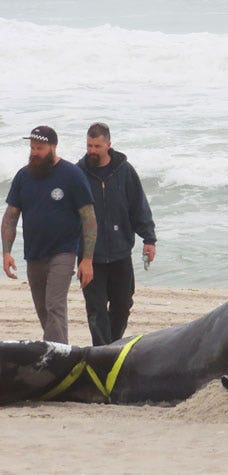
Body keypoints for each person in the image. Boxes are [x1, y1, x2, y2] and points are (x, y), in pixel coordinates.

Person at [2, 125, 97, 344]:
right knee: (43, 309)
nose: (35, 152)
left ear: (53, 147)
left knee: (55, 305)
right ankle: (58, 348)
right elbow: (10, 217)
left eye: (40, 148)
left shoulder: (72, 174)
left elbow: (89, 218)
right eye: (33, 147)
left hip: (63, 252)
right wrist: (6, 252)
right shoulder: (23, 176)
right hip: (34, 253)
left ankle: (56, 358)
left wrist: (88, 259)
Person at [77, 122, 158, 345]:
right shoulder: (78, 173)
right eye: (89, 145)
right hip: (90, 256)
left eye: (97, 146)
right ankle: (102, 352)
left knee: (123, 304)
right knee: (96, 309)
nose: (92, 150)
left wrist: (149, 239)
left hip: (121, 252)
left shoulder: (124, 171)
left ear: (108, 145)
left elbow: (138, 206)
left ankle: (111, 346)